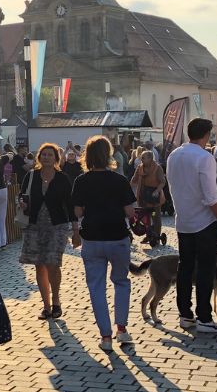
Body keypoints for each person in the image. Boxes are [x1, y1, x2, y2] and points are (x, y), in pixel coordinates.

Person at [71, 137, 137, 351]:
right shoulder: (119, 180)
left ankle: (106, 336)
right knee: (121, 282)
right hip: (118, 238)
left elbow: (78, 211)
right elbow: (130, 211)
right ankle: (122, 329)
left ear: (87, 156)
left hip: (92, 239)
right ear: (108, 154)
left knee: (96, 288)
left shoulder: (81, 181)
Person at [165, 118, 217, 334]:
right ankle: (204, 317)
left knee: (185, 268)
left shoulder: (174, 155)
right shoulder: (204, 157)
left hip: (183, 220)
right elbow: (211, 195)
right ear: (206, 134)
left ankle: (185, 314)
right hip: (204, 222)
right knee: (205, 270)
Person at [17, 143, 77, 319]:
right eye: (43, 154)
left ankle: (56, 301)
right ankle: (46, 305)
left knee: (53, 263)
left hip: (56, 225)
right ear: (39, 157)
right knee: (39, 264)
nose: (46, 157)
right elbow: (22, 194)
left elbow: (70, 204)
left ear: (56, 159)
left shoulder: (62, 178)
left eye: (50, 155)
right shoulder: (31, 176)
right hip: (34, 224)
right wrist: (22, 202)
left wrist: (75, 230)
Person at [130, 150, 167, 246]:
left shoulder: (157, 168)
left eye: (143, 157)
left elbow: (163, 181)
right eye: (141, 157)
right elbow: (134, 180)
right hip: (142, 197)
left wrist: (156, 191)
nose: (141, 159)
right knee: (145, 217)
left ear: (150, 158)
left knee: (155, 216)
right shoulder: (140, 168)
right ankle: (148, 234)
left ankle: (156, 236)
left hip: (154, 198)